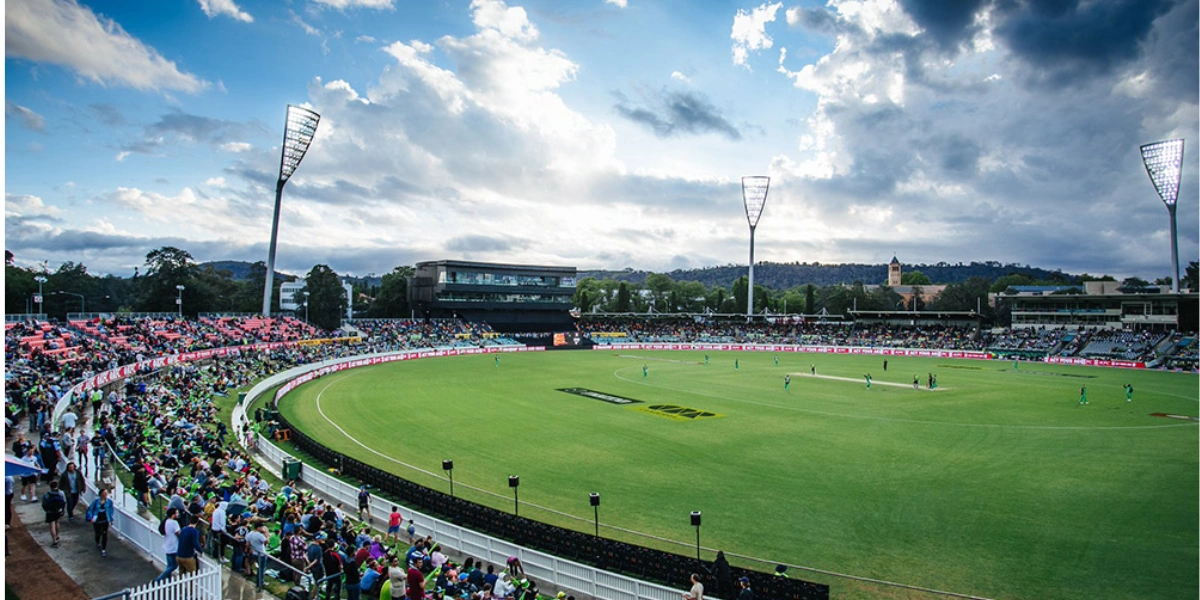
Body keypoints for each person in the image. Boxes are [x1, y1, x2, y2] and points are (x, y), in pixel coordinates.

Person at [86, 488, 115, 557]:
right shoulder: (96, 501)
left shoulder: (109, 502)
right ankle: (98, 542)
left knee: (105, 534)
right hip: (97, 519)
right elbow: (90, 509)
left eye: (106, 493)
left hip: (105, 519)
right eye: (104, 493)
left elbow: (110, 511)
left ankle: (103, 549)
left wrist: (111, 520)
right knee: (98, 533)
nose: (105, 495)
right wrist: (91, 518)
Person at [155, 508, 181, 582]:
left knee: (169, 565)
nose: (178, 514)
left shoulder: (166, 522)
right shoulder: (174, 523)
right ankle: (158, 579)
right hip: (173, 547)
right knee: (174, 566)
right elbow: (178, 533)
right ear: (173, 515)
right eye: (176, 513)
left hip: (167, 546)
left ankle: (168, 581)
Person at [41, 480, 67, 548]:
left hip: (50, 511)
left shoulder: (47, 494)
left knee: (52, 525)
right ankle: (58, 535)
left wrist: (47, 510)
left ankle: (54, 540)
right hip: (58, 510)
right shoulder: (61, 493)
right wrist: (63, 510)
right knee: (57, 522)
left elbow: (44, 504)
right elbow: (64, 502)